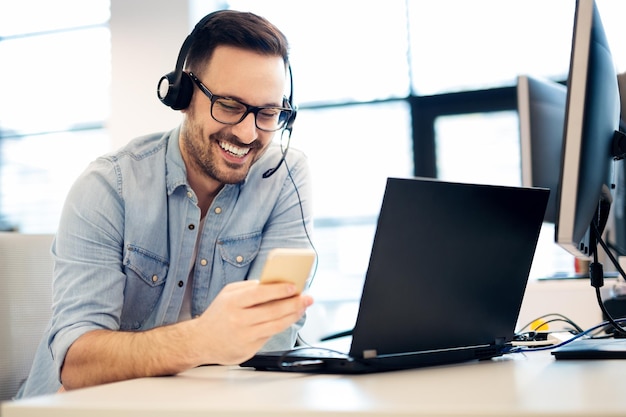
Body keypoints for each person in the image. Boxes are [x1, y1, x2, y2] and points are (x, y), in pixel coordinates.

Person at [17, 10, 314, 398]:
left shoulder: (284, 175)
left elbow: (272, 336)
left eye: (268, 113)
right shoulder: (108, 187)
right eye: (228, 105)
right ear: (183, 95)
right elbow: (77, 363)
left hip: (208, 400)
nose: (247, 132)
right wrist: (202, 340)